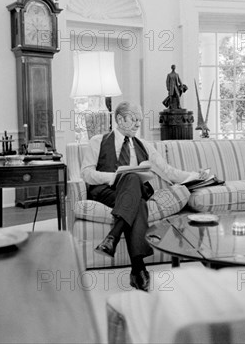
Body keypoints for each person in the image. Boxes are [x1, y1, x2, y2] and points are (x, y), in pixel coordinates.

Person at [81, 101, 209, 291]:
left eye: (140, 120)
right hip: (106, 191)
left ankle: (115, 242)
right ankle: (138, 268)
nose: (138, 124)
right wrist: (115, 177)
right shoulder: (98, 141)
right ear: (119, 119)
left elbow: (168, 172)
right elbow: (86, 173)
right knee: (135, 190)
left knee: (135, 188)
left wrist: (197, 175)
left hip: (132, 193)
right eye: (134, 119)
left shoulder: (145, 146)